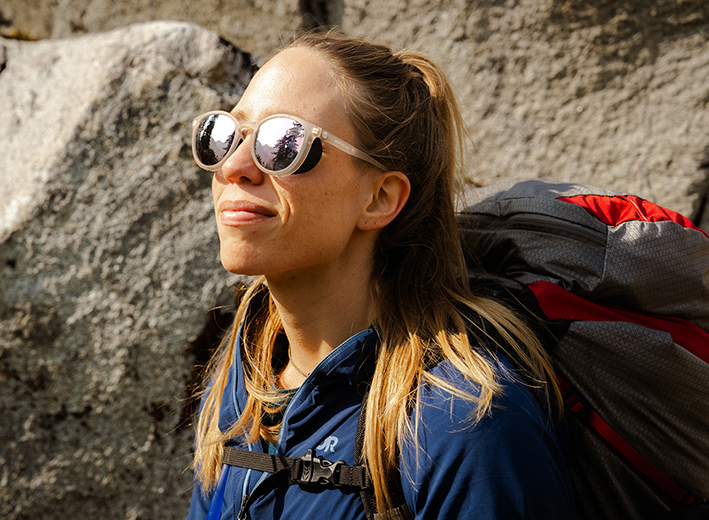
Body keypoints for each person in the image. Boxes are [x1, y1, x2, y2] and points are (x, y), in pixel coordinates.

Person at [186, 31, 574, 520]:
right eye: (224, 135)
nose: (235, 168)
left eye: (283, 142)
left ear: (379, 198)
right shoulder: (241, 391)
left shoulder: (464, 422)